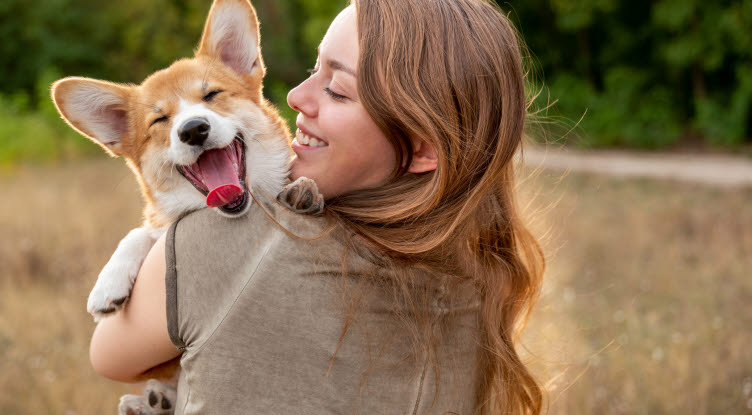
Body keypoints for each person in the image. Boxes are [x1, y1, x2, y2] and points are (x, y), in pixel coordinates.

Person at [90, 0, 545, 413]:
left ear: (423, 146)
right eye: (314, 68)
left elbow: (108, 355)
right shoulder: (480, 280)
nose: (294, 97)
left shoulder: (220, 245)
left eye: (339, 90)